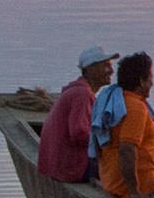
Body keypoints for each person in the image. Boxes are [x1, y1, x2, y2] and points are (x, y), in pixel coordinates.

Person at [95, 53, 154, 198]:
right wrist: (134, 191)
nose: (152, 83)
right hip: (143, 186)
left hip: (113, 182)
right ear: (141, 81)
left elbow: (98, 142)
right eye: (150, 78)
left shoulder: (114, 101)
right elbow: (127, 149)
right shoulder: (135, 107)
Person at [37, 47, 112, 184]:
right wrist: (108, 142)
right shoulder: (82, 94)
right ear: (91, 69)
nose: (111, 71)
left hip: (61, 164)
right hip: (71, 167)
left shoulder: (78, 91)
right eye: (106, 66)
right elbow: (79, 133)